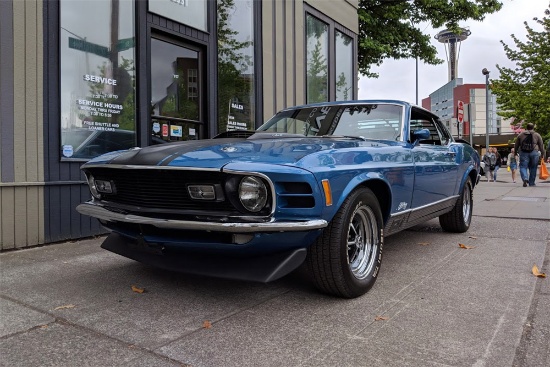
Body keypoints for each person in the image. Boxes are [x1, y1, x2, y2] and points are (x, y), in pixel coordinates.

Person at [514, 123, 546, 187]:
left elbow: (516, 145)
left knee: (523, 166)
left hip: (523, 152)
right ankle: (531, 183)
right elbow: (541, 145)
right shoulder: (537, 135)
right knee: (533, 167)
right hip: (534, 152)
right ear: (533, 127)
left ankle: (525, 178)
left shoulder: (521, 135)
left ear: (526, 127)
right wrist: (543, 154)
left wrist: (515, 152)